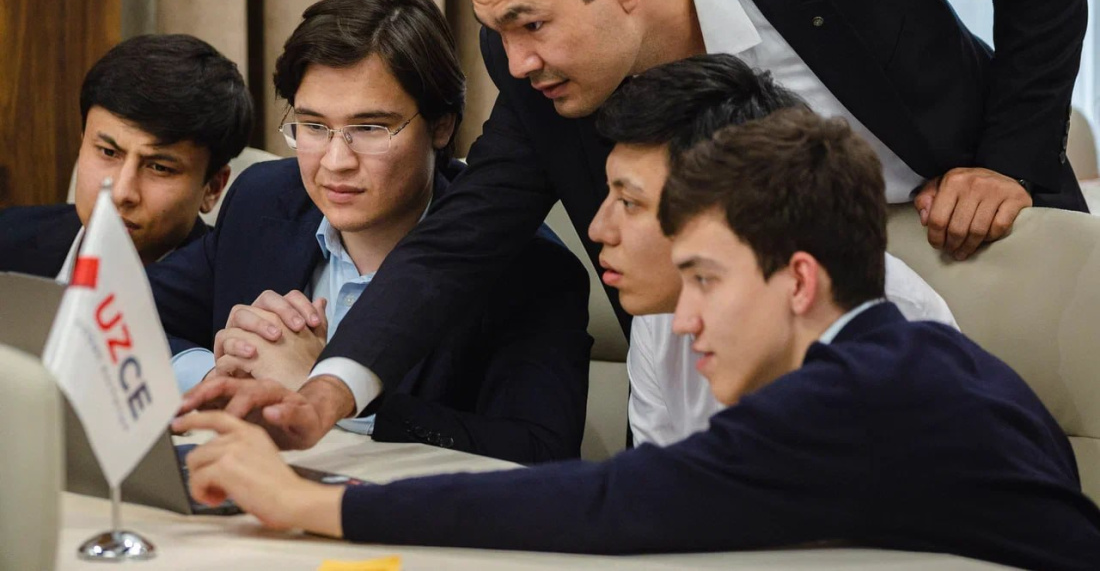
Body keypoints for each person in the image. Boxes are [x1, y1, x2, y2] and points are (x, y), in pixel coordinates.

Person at [191, 0, 1091, 448]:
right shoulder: (547, 84)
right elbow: (459, 240)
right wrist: (330, 392)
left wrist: (1009, 158)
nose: (514, 62)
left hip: (965, 233)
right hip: (718, 331)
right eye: (499, 33)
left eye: (530, 24)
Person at [175, 109, 1100, 569]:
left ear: (799, 280)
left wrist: (306, 504)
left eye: (706, 281)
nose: (685, 317)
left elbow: (611, 501)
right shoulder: (915, 362)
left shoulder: (851, 395)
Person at [150, 0, 592, 463]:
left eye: (369, 129)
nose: (335, 162)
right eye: (313, 126)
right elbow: (124, 313)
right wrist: (216, 379)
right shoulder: (264, 202)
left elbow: (540, 451)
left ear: (441, 126)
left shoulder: (529, 266)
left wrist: (324, 395)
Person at [588, 53, 956, 446]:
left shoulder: (896, 324)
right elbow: (659, 477)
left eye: (629, 203)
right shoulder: (662, 311)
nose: (598, 229)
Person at [0, 34, 253, 279]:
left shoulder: (234, 288)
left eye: (159, 167)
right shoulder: (8, 239)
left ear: (212, 188)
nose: (121, 193)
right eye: (108, 152)